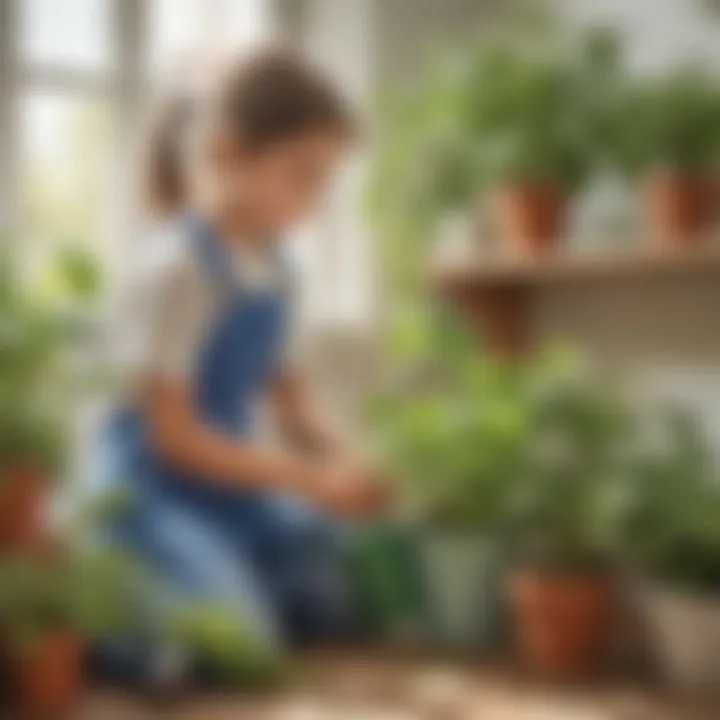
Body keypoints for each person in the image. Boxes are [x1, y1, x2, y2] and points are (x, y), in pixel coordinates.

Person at [94, 48, 384, 671]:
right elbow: (173, 440)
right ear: (229, 155)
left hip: (226, 488)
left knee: (332, 599)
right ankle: (102, 619)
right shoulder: (178, 268)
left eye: (325, 178)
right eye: (302, 173)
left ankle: (208, 588)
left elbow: (293, 401)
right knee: (235, 648)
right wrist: (306, 479)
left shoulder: (279, 268)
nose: (318, 197)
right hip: (151, 492)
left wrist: (349, 461)